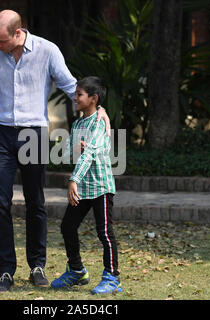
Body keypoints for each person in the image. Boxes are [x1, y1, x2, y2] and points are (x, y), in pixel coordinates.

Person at [0, 9, 110, 292]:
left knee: (35, 201)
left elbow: (71, 85)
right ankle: (5, 271)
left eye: (2, 41)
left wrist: (98, 110)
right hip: (0, 133)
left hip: (33, 134)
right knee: (0, 204)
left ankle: (37, 265)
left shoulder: (47, 51)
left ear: (18, 32)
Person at [51, 76, 121, 294]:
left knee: (105, 233)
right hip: (84, 188)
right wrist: (75, 146)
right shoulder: (79, 123)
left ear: (93, 98)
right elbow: (74, 151)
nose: (75, 97)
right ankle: (76, 271)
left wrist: (73, 179)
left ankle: (112, 277)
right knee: (67, 227)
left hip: (100, 187)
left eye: (79, 94)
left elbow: (91, 152)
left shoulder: (100, 121)